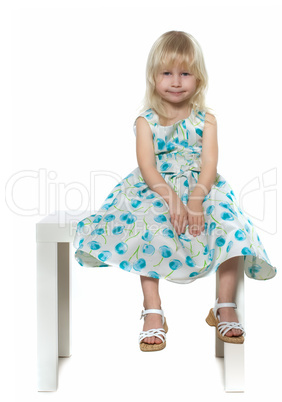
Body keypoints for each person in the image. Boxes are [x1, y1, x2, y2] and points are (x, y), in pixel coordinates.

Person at [73, 30, 277, 352]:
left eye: (185, 73)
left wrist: (195, 199)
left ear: (199, 78)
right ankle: (152, 308)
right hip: (156, 186)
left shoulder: (206, 119)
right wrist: (170, 199)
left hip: (201, 185)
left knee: (230, 224)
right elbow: (147, 167)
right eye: (167, 73)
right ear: (153, 77)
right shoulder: (146, 121)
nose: (176, 81)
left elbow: (209, 163)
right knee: (148, 224)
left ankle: (224, 304)